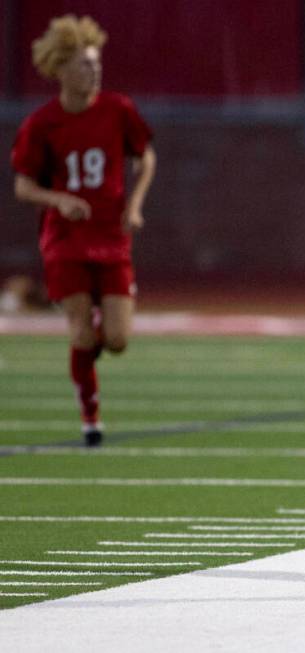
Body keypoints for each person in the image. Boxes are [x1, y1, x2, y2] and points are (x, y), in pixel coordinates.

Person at [11, 14, 156, 446]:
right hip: (65, 241)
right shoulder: (41, 124)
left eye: (95, 63)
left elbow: (145, 157)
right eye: (82, 65)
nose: (92, 71)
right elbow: (23, 185)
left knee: (116, 339)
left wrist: (134, 203)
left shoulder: (117, 109)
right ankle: (90, 417)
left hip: (112, 237)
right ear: (60, 69)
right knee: (79, 332)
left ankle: (92, 332)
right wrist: (59, 200)